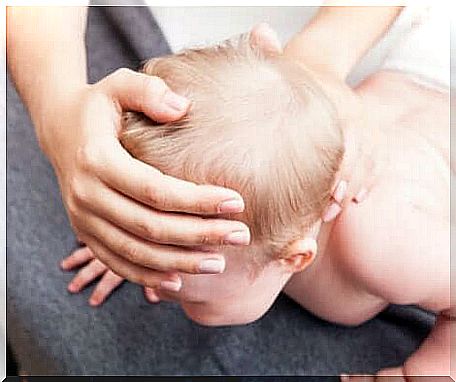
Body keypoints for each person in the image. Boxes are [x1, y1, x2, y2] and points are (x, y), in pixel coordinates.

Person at [8, 5, 433, 376]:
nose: (154, 287)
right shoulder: (264, 233)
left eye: (178, 279)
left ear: (295, 257)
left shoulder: (379, 247)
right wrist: (127, 234)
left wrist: (432, 368)